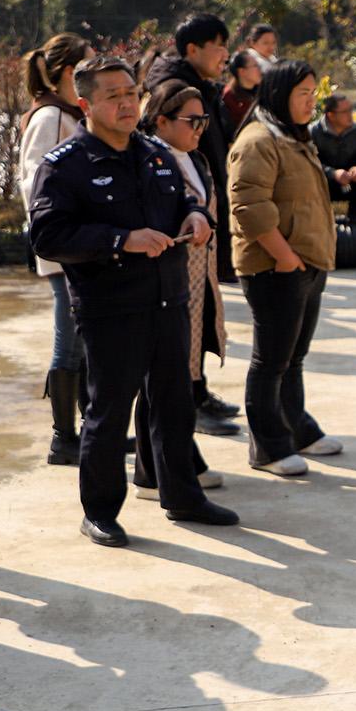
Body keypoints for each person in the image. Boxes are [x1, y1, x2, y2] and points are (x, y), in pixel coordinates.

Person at [28, 57, 236, 548]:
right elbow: (47, 236)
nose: (126, 104)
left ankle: (182, 495)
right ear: (86, 104)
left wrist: (196, 216)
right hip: (112, 306)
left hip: (169, 299)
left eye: (130, 93)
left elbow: (184, 201)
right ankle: (100, 511)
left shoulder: (156, 153)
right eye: (113, 96)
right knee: (110, 411)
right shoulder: (66, 165)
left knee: (175, 403)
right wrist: (122, 239)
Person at [229, 60, 341, 477]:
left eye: (313, 93)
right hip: (275, 267)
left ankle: (297, 429)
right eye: (302, 94)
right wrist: (284, 257)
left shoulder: (293, 136)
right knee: (271, 360)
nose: (311, 102)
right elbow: (248, 205)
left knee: (293, 357)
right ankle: (268, 447)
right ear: (279, 94)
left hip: (307, 263)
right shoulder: (259, 140)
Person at [136, 79, 235, 502]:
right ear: (161, 121)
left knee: (181, 373)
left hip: (198, 279)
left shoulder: (195, 159)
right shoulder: (149, 160)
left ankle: (170, 464)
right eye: (191, 121)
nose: (199, 129)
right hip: (166, 282)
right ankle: (154, 471)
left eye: (203, 121)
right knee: (160, 380)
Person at [18, 32, 93, 467]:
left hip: (81, 245)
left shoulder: (69, 113)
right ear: (69, 72)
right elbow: (34, 185)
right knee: (69, 339)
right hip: (64, 247)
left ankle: (87, 428)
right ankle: (63, 437)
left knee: (83, 337)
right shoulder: (49, 117)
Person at [144, 12, 237, 295]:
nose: (226, 54)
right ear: (193, 49)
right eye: (219, 46)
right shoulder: (176, 94)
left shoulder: (202, 89)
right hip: (185, 231)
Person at [314, 92, 356, 221]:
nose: (350, 114)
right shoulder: (314, 132)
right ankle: (321, 219)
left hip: (351, 179)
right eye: (345, 112)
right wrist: (333, 173)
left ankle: (355, 215)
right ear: (331, 115)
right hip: (327, 182)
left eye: (350, 109)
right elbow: (310, 163)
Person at [222, 50, 261, 129]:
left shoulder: (262, 92)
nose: (260, 69)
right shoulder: (229, 97)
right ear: (242, 71)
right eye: (255, 66)